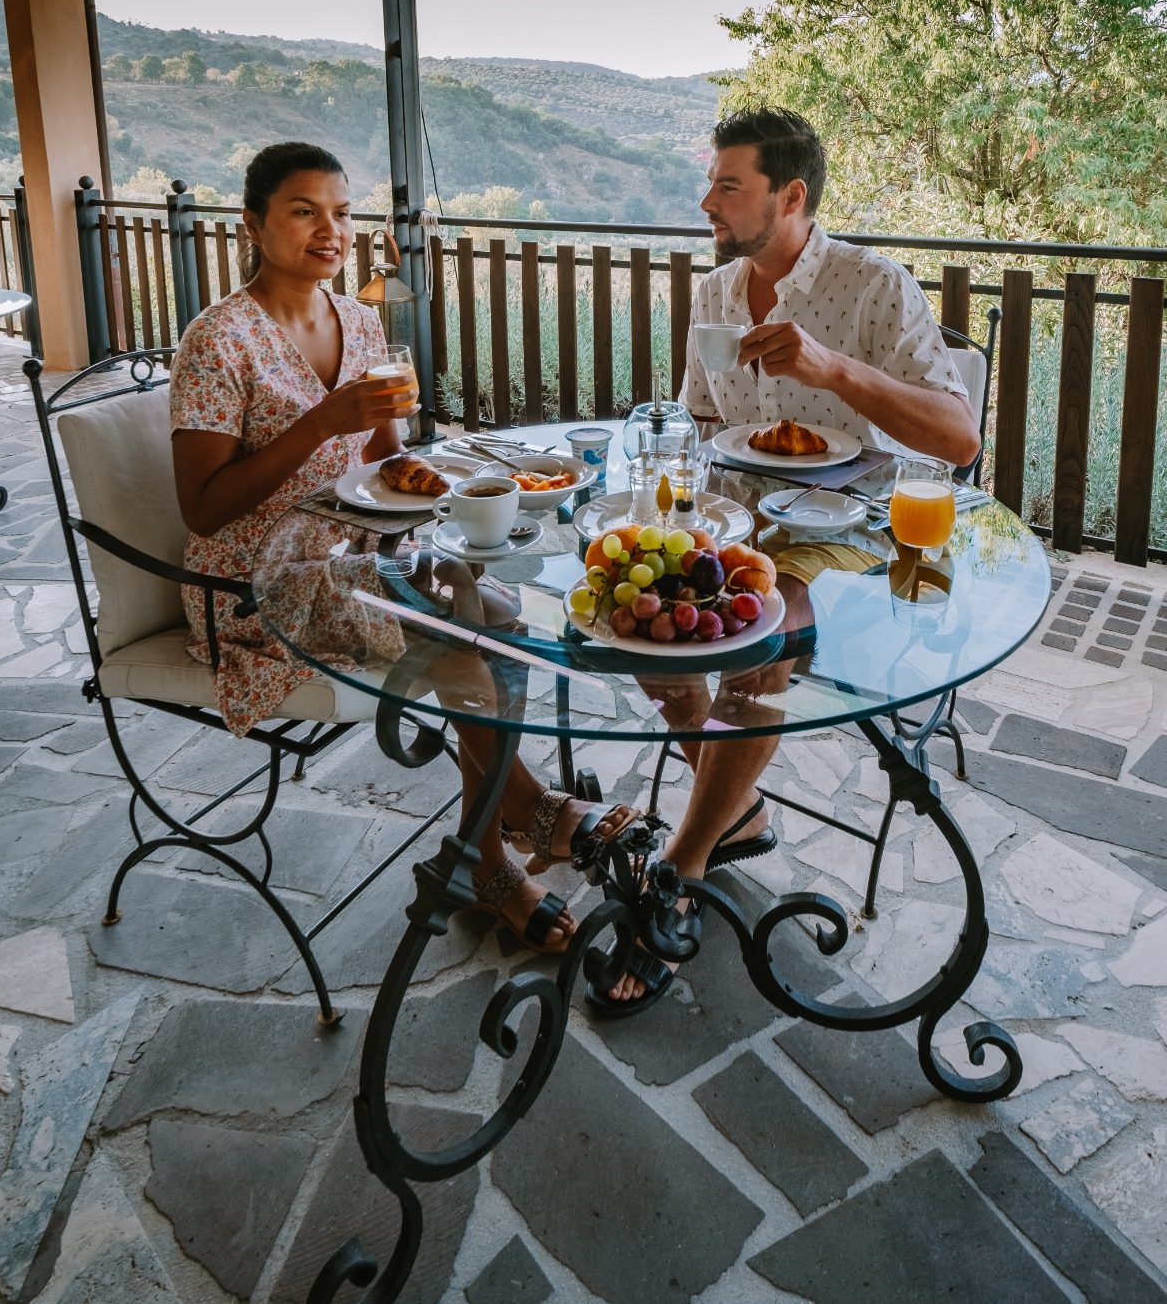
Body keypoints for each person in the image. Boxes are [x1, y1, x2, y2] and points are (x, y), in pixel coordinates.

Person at [170, 141, 632, 957]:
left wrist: (427, 466)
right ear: (253, 222)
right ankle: (505, 841)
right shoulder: (219, 339)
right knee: (475, 634)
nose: (330, 229)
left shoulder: (359, 319)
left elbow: (388, 465)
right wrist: (322, 425)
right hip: (257, 582)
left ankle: (498, 836)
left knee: (495, 612)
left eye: (342, 213)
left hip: (358, 555)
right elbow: (203, 511)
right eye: (304, 211)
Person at [595, 107, 979, 1011]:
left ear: (791, 194)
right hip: (734, 516)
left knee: (767, 625)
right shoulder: (718, 293)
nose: (708, 201)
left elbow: (959, 441)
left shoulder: (873, 286)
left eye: (728, 184)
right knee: (636, 608)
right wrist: (672, 509)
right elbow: (697, 420)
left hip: (850, 528)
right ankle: (741, 810)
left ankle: (680, 871)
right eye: (713, 183)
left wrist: (834, 370)